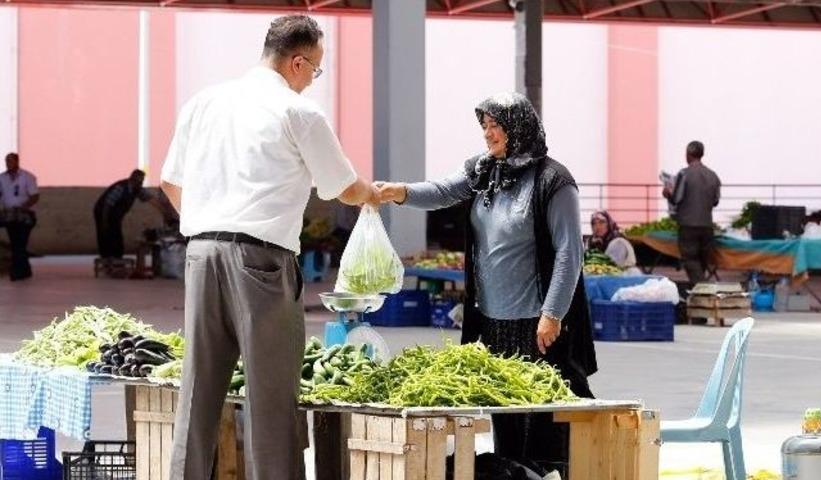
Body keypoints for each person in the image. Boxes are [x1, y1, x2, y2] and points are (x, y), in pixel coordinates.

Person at [159, 15, 379, 480]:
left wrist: (209, 225)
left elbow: (170, 181)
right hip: (260, 262)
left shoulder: (204, 101)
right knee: (271, 399)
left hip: (200, 254)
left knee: (197, 393)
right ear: (298, 62)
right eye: (315, 70)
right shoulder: (296, 112)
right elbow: (343, 187)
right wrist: (374, 193)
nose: (313, 80)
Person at [377, 93, 597, 471]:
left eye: (496, 126)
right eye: (485, 126)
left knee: (544, 421)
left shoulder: (553, 180)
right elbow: (443, 191)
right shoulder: (483, 171)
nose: (488, 134)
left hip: (538, 324)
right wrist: (400, 193)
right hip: (492, 323)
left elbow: (569, 252)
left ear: (519, 127)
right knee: (506, 419)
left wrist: (554, 313)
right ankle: (514, 475)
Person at [663, 140, 721, 285]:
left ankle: (702, 289)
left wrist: (667, 193)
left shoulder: (684, 174)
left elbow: (676, 198)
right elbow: (715, 201)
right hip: (707, 225)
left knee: (690, 259)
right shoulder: (713, 175)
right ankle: (698, 292)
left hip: (688, 224)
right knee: (701, 261)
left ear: (688, 154)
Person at [93, 169, 162, 260]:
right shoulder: (121, 187)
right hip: (103, 211)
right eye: (139, 182)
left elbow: (150, 199)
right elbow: (107, 205)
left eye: (142, 182)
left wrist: (164, 210)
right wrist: (104, 221)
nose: (141, 184)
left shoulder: (137, 189)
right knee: (105, 233)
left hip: (116, 214)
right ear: (132, 180)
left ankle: (116, 256)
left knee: (115, 232)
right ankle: (107, 256)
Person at [0, 152, 39, 281]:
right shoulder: (2, 178)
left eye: (10, 161)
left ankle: (17, 271)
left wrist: (25, 206)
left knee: (20, 243)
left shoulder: (27, 177)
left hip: (25, 216)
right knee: (16, 243)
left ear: (17, 162)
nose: (8, 164)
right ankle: (25, 270)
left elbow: (35, 196)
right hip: (10, 216)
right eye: (6, 161)